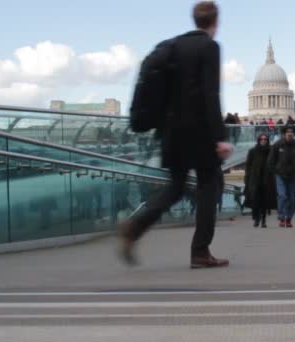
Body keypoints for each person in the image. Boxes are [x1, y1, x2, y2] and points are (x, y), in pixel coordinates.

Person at [118, 1, 232, 269]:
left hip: (170, 132)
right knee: (210, 185)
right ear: (215, 21)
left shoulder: (172, 46)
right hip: (200, 132)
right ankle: (200, 251)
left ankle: (135, 226)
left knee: (175, 187)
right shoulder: (208, 47)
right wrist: (220, 136)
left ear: (194, 19)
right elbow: (209, 93)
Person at [268, 125, 295, 227]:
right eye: (288, 132)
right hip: (280, 174)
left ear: (294, 133)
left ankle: (289, 218)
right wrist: (275, 171)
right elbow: (271, 160)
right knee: (282, 196)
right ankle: (281, 217)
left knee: (292, 198)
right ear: (284, 133)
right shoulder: (277, 145)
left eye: (292, 132)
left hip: (293, 175)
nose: (290, 133)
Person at [243, 134, 277, 228]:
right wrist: (247, 179)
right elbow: (248, 166)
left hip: (267, 180)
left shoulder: (271, 151)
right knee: (255, 200)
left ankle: (263, 220)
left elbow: (274, 164)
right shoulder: (252, 151)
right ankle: (257, 218)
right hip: (255, 179)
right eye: (261, 139)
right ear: (258, 140)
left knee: (264, 201)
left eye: (265, 139)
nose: (263, 140)